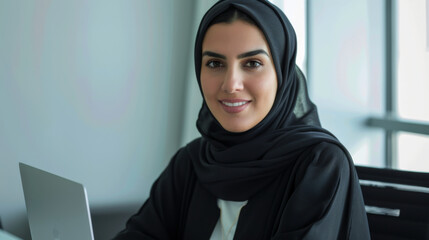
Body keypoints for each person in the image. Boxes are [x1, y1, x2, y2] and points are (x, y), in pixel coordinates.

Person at [114, 0, 371, 239]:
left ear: (281, 72)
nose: (231, 84)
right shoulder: (192, 163)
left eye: (252, 63)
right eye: (215, 63)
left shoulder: (320, 165)